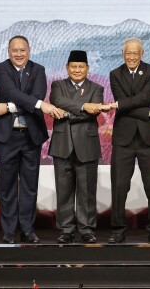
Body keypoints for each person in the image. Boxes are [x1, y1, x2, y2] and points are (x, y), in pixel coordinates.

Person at [0, 35, 64, 244]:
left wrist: (10, 106)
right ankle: (8, 230)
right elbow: (11, 92)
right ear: (8, 52)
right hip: (7, 136)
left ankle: (27, 229)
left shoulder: (38, 69)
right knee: (7, 184)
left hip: (31, 135)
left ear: (29, 50)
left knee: (30, 185)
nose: (19, 54)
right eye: (15, 50)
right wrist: (40, 105)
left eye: (22, 50)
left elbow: (38, 94)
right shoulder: (1, 69)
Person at [104, 37, 150, 244]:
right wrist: (149, 111)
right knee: (120, 185)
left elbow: (145, 97)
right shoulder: (115, 74)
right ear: (123, 55)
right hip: (124, 138)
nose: (131, 57)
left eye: (135, 53)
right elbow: (132, 102)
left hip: (149, 136)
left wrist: (121, 104)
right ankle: (117, 230)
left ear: (142, 54)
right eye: (127, 53)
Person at [48, 50, 104, 244]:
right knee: (63, 190)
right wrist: (82, 106)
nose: (77, 70)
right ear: (67, 68)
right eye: (74, 66)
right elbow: (57, 101)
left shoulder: (97, 88)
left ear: (87, 69)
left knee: (87, 191)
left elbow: (93, 111)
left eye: (81, 67)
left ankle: (87, 229)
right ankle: (66, 229)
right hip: (62, 143)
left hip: (86, 144)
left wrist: (65, 114)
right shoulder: (57, 85)